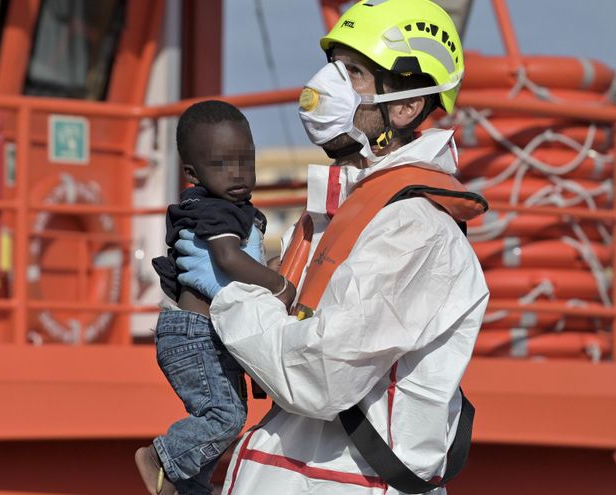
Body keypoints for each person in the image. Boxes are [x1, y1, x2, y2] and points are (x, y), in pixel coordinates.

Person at [174, 1, 489, 494]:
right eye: (334, 66)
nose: (325, 84)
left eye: (355, 72)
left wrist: (228, 295)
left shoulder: (413, 228)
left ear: (405, 106)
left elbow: (318, 378)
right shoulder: (353, 208)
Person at [135, 100, 296, 495]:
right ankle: (159, 458)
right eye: (222, 165)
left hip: (209, 335)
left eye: (246, 162)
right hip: (196, 335)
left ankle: (188, 487)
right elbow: (226, 257)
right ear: (192, 173)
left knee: (227, 417)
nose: (238, 174)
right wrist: (281, 288)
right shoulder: (215, 211)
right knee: (224, 417)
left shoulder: (233, 209)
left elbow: (242, 262)